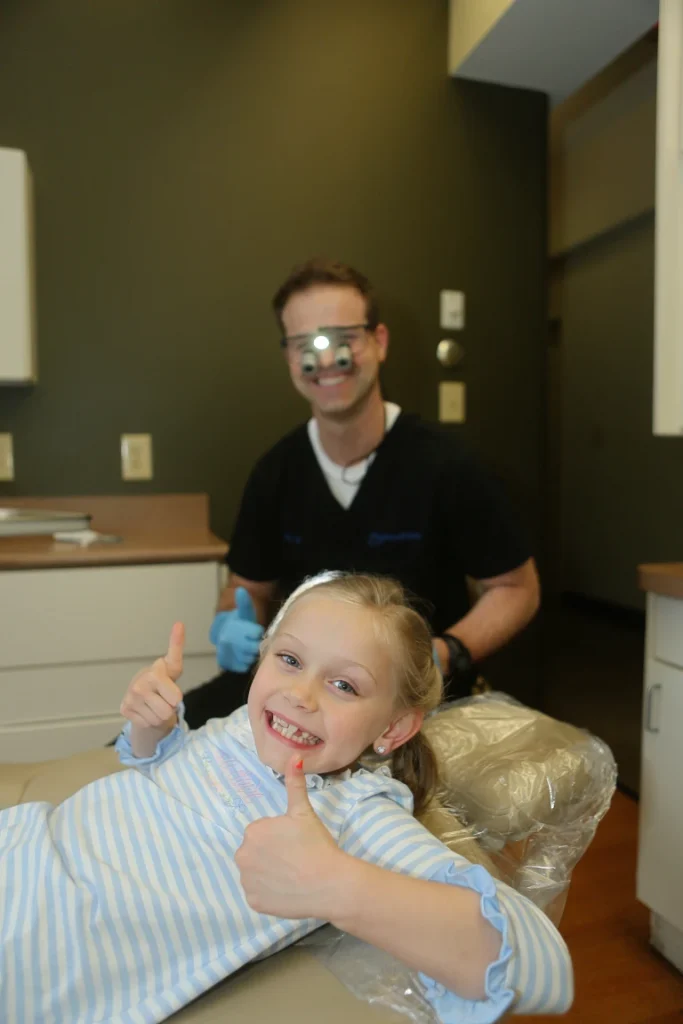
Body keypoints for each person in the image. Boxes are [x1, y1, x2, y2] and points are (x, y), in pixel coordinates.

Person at [0, 573, 571, 1024]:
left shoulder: (352, 816)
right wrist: (153, 731)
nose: (299, 695)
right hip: (22, 843)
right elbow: (169, 771)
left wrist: (334, 885)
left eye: (344, 685)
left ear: (393, 728)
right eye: (290, 660)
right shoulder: (242, 728)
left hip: (38, 946)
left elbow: (543, 967)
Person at [184, 258, 540, 729]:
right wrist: (233, 619)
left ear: (380, 341)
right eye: (305, 345)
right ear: (290, 358)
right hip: (299, 701)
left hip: (414, 708)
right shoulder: (275, 473)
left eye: (344, 338)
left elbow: (518, 588)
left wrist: (446, 652)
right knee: (148, 751)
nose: (326, 360)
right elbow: (246, 586)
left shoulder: (446, 467)